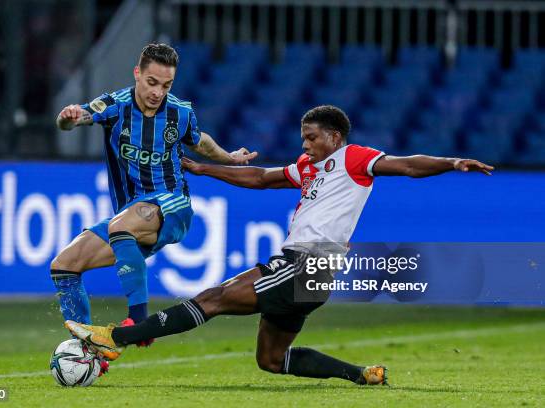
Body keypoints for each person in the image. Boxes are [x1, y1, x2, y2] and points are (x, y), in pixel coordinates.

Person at [64, 105, 493, 385]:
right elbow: (262, 178)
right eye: (303, 137)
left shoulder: (354, 159)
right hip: (306, 270)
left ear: (335, 137)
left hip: (310, 263)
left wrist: (451, 162)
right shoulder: (309, 166)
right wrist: (202, 168)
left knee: (212, 299)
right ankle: (362, 375)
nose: (304, 144)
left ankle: (115, 338)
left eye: (311, 137)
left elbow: (408, 166)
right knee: (271, 360)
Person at [52, 43, 256, 348]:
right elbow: (76, 118)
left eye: (166, 85)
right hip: (130, 217)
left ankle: (138, 322)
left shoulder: (180, 112)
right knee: (64, 265)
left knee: (120, 225)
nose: (158, 92)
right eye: (152, 83)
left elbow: (200, 143)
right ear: (137, 74)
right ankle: (88, 351)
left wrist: (230, 158)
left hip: (173, 205)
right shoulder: (115, 105)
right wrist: (67, 118)